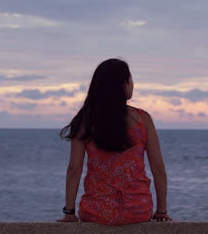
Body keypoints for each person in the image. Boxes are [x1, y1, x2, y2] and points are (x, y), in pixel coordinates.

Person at [56, 58, 172, 225]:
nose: (133, 84)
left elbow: (74, 169)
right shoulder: (142, 120)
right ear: (123, 85)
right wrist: (161, 211)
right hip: (137, 210)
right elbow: (158, 168)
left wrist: (69, 212)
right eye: (131, 80)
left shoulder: (85, 121)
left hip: (96, 211)